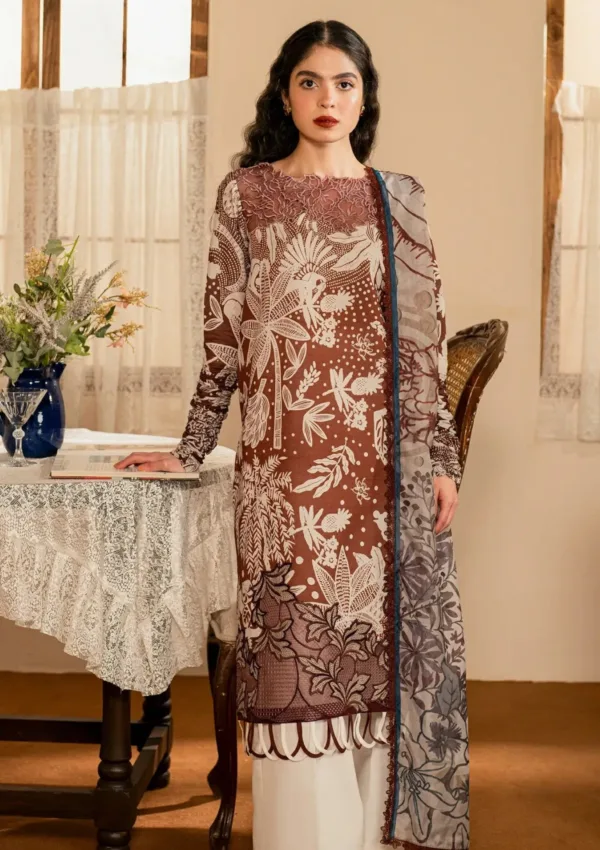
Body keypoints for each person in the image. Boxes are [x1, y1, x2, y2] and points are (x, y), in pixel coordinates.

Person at [116, 19, 469, 850]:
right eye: (310, 81)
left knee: (377, 665)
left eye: (344, 83)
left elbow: (425, 345)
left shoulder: (400, 199)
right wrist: (191, 446)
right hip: (284, 480)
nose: (327, 98)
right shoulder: (247, 196)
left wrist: (441, 458)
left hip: (382, 474)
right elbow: (224, 341)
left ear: (364, 99)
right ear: (286, 94)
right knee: (294, 659)